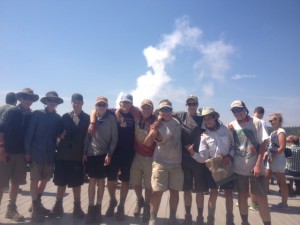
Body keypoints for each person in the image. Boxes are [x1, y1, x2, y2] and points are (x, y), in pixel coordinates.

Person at [187, 107, 235, 225]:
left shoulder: (227, 130)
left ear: (215, 118)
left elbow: (233, 146)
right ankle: (210, 220)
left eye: (209, 118)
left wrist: (229, 156)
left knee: (229, 192)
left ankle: (230, 220)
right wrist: (192, 153)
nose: (207, 120)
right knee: (214, 192)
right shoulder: (204, 136)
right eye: (205, 118)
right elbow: (203, 157)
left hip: (227, 165)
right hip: (213, 167)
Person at [229, 100, 271, 225]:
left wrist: (258, 165)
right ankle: (245, 222)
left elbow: (262, 144)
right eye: (234, 111)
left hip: (255, 168)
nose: (237, 112)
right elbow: (230, 144)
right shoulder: (232, 125)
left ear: (245, 109)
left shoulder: (257, 122)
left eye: (239, 109)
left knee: (261, 198)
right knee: (242, 196)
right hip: (239, 167)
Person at [0, 88, 39, 222]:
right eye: (25, 97)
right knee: (1, 183)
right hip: (6, 152)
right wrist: (1, 149)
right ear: (20, 98)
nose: (28, 100)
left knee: (16, 183)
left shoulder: (31, 115)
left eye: (30, 98)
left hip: (21, 154)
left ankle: (10, 210)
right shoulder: (11, 112)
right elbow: (1, 129)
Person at [25, 91, 63, 222]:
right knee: (34, 180)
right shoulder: (37, 114)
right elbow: (29, 134)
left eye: (55, 100)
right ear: (46, 102)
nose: (52, 102)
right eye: (50, 100)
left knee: (45, 180)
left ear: (57, 103)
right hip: (36, 153)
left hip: (50, 154)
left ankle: (36, 203)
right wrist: (27, 152)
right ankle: (36, 210)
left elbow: (59, 136)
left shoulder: (58, 118)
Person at [50, 93, 90, 219]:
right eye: (74, 101)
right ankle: (58, 206)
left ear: (82, 103)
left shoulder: (87, 118)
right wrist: (61, 136)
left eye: (78, 101)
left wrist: (85, 153)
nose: (76, 103)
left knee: (76, 184)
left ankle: (77, 207)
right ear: (71, 103)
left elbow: (89, 138)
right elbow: (58, 134)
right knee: (61, 183)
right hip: (63, 155)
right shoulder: (65, 117)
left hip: (77, 156)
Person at [144, 99, 183, 225]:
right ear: (159, 112)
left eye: (168, 109)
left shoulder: (177, 122)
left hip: (176, 163)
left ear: (172, 110)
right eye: (163, 110)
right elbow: (148, 143)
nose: (166, 112)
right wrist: (152, 133)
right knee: (157, 192)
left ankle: (172, 216)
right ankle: (153, 218)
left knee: (174, 191)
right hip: (160, 163)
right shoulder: (156, 125)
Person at [84, 96, 118, 223]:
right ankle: (90, 208)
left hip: (104, 154)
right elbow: (87, 136)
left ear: (107, 107)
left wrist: (109, 154)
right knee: (92, 181)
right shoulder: (91, 119)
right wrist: (84, 151)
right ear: (95, 106)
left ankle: (98, 208)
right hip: (92, 153)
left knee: (101, 181)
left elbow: (114, 140)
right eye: (99, 105)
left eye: (103, 105)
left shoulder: (111, 119)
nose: (101, 107)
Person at [174, 95, 208, 225]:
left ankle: (200, 216)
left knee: (200, 190)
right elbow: (163, 114)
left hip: (199, 159)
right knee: (187, 189)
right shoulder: (180, 116)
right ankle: (188, 215)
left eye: (194, 104)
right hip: (184, 159)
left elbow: (216, 124)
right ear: (186, 105)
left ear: (198, 105)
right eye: (189, 103)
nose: (191, 106)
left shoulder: (203, 118)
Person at [102, 93, 136, 221]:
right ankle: (112, 201)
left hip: (128, 153)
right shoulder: (111, 112)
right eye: (124, 102)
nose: (126, 105)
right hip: (113, 152)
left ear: (131, 104)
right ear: (120, 103)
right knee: (110, 180)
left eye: (128, 102)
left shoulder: (134, 116)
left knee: (125, 181)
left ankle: (121, 206)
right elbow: (96, 110)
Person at [130, 99, 156, 222]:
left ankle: (146, 206)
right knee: (135, 182)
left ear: (152, 110)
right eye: (144, 107)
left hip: (150, 157)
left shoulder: (155, 120)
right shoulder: (136, 114)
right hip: (137, 155)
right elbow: (120, 107)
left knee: (148, 185)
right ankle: (139, 200)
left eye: (148, 108)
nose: (146, 110)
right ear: (140, 108)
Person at [265, 113, 289, 210]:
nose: (271, 122)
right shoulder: (273, 132)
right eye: (270, 120)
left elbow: (282, 147)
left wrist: (272, 156)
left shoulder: (281, 131)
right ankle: (264, 201)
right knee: (266, 178)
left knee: (281, 181)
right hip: (272, 158)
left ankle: (284, 204)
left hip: (278, 159)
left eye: (273, 120)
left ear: (279, 120)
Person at [249, 106, 268, 211]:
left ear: (254, 112)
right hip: (254, 154)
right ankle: (254, 202)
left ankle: (256, 203)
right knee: (253, 180)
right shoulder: (261, 122)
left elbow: (263, 142)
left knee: (256, 180)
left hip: (255, 155)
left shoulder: (259, 122)